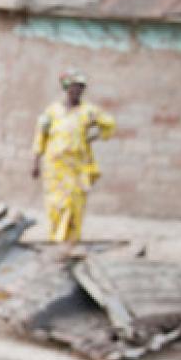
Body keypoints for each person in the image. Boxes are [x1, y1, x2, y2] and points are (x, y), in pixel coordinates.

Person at [31, 70, 115, 243]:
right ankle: (55, 242)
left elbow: (109, 124)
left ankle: (71, 243)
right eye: (74, 87)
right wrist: (35, 162)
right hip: (55, 168)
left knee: (74, 205)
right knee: (55, 205)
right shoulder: (52, 112)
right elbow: (41, 136)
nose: (77, 91)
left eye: (80, 88)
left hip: (76, 167)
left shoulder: (88, 111)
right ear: (66, 88)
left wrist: (94, 135)